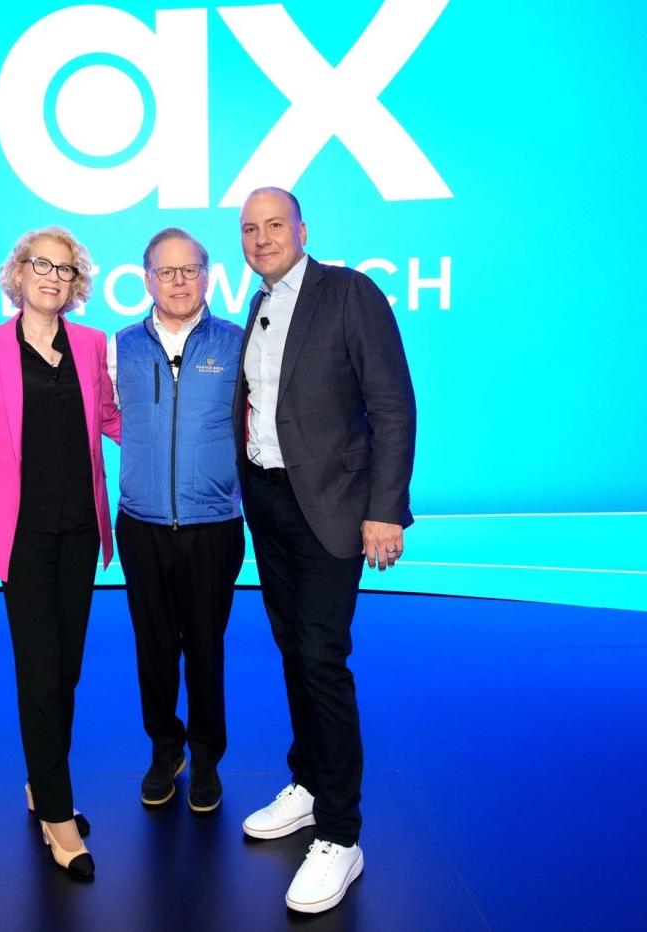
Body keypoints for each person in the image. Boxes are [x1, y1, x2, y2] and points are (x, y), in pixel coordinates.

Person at [231, 188, 416, 914]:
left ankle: (341, 833)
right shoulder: (260, 302)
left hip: (334, 509)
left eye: (275, 224)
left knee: (321, 657)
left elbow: (393, 405)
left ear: (302, 229)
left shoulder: (349, 292)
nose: (262, 237)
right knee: (292, 648)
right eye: (250, 229)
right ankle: (309, 784)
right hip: (270, 504)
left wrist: (385, 511)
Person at [0, 227, 119, 881]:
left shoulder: (91, 344)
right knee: (39, 667)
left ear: (76, 281)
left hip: (82, 528)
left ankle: (39, 780)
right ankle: (57, 813)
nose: (53, 276)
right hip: (19, 533)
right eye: (40, 264)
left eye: (65, 267)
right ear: (17, 275)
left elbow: (113, 417)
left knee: (68, 668)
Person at [107, 228, 245, 812]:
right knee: (154, 646)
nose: (179, 282)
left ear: (207, 276)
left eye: (189, 270)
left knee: (206, 646)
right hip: (141, 523)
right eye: (167, 272)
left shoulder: (238, 345)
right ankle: (166, 750)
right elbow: (105, 418)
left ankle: (208, 755)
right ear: (148, 281)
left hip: (214, 524)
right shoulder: (117, 347)